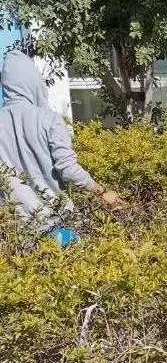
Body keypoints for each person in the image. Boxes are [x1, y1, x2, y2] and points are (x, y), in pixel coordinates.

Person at [0, 51, 125, 241]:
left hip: (13, 230)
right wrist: (103, 192)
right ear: (33, 82)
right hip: (55, 224)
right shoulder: (49, 120)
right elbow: (67, 169)